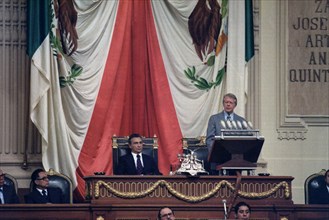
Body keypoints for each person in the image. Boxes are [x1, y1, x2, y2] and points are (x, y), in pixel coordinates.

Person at [206, 93, 247, 174]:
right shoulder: (214, 119)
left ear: (235, 105)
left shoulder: (241, 121)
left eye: (231, 103)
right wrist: (216, 153)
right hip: (218, 161)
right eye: (226, 102)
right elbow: (210, 139)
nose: (228, 104)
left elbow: (244, 141)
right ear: (223, 104)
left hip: (235, 162)